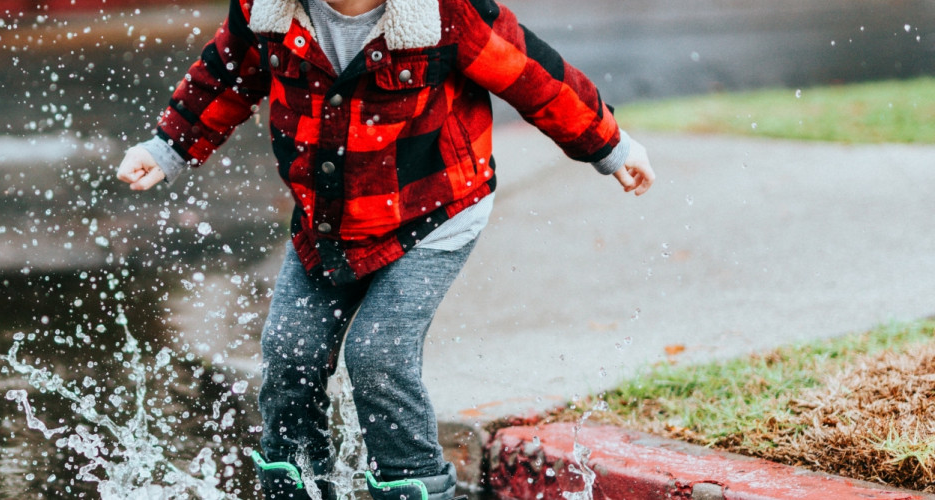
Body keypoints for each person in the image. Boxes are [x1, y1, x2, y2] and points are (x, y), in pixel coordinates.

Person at [116, 0, 654, 497]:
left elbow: (532, 74)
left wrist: (609, 146)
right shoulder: (267, 10)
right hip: (326, 224)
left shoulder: (443, 12)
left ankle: (413, 485)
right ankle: (296, 481)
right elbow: (227, 75)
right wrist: (168, 147)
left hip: (433, 214)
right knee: (289, 352)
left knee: (378, 356)